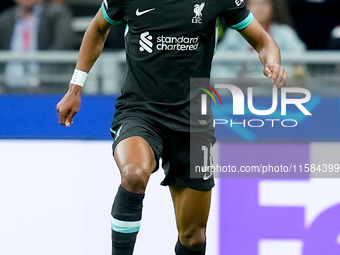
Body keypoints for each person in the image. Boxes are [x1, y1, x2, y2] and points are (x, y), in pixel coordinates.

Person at [56, 0, 287, 254]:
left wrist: (272, 62)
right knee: (134, 174)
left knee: (193, 236)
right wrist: (75, 87)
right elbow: (98, 28)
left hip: (193, 122)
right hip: (140, 111)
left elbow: (263, 41)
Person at [212, 0, 306, 78]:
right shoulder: (233, 33)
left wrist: (261, 78)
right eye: (254, 4)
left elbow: (299, 66)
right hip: (236, 92)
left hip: (273, 92)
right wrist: (235, 78)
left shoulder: (285, 34)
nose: (259, 8)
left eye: (264, 3)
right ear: (245, 7)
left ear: (272, 7)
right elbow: (218, 64)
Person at [0, 0, 75, 87]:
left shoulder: (58, 14)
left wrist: (39, 79)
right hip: (8, 88)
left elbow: (62, 47)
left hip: (46, 87)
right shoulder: (5, 19)